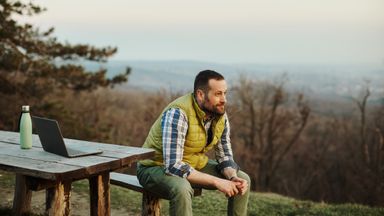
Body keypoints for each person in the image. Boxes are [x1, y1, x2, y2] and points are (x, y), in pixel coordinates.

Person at [137, 70, 250, 216]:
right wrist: (217, 182)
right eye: (218, 94)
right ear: (200, 95)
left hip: (191, 163)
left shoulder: (220, 114)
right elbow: (173, 166)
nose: (224, 100)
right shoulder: (178, 113)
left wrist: (232, 177)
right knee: (182, 188)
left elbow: (225, 156)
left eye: (225, 93)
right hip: (155, 167)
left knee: (243, 179)